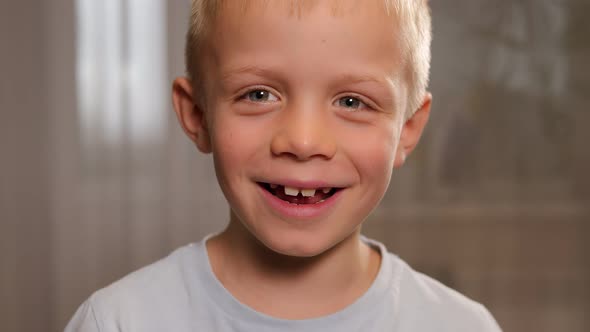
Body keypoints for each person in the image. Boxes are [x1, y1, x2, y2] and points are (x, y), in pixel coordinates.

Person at [65, 0, 502, 331]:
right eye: (258, 95)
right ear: (197, 114)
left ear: (407, 128)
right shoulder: (119, 323)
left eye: (352, 102)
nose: (303, 141)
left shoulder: (460, 326)